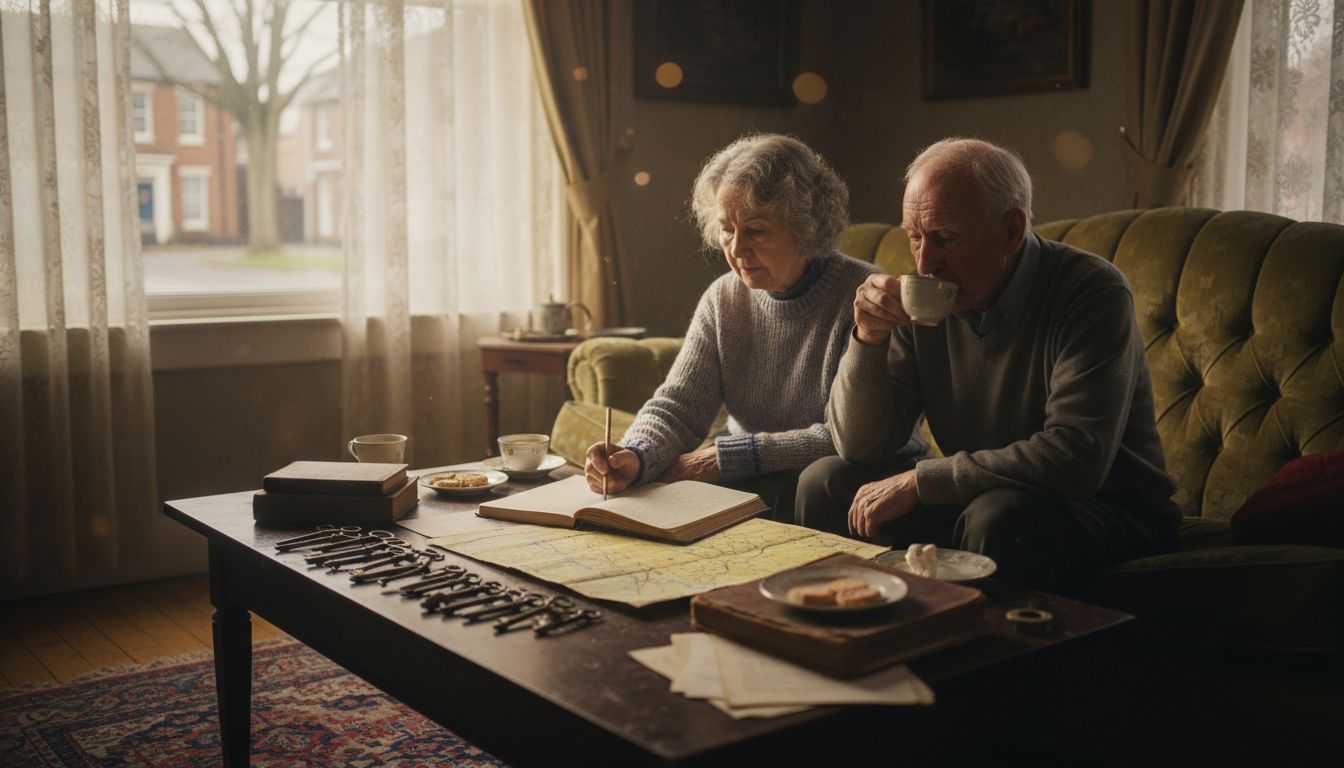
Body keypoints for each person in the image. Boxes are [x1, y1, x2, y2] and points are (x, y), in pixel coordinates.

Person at [796, 137, 1179, 591]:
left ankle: (970, 659)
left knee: (998, 517)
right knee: (824, 482)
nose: (924, 262)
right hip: (985, 494)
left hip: (1110, 507)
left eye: (946, 238)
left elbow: (1075, 457)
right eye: (914, 237)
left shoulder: (1091, 292)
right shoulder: (927, 295)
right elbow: (859, 446)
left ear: (1012, 232)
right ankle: (842, 647)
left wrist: (922, 482)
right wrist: (868, 338)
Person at [584, 133, 920, 517]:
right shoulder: (724, 298)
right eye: (727, 228)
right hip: (753, 475)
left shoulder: (864, 298)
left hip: (845, 478)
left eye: (756, 231)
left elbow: (851, 440)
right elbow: (678, 407)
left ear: (806, 227)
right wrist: (636, 454)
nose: (736, 248)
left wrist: (725, 459)